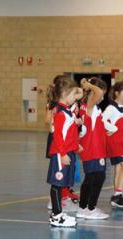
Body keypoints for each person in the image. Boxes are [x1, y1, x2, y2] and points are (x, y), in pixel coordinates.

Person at [76, 77, 113, 220]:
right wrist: (88, 85)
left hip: (93, 147)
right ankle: (89, 208)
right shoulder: (89, 104)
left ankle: (84, 207)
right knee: (97, 177)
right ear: (92, 93)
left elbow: (93, 126)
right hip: (93, 149)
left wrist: (104, 131)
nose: (102, 97)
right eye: (101, 93)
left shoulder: (92, 107)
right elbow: (97, 92)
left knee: (92, 177)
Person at [46, 76, 81, 227]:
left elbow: (70, 133)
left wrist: (76, 146)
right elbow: (58, 136)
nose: (76, 97)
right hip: (61, 154)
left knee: (62, 184)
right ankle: (56, 215)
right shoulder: (60, 112)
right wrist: (62, 153)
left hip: (68, 151)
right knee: (57, 184)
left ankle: (59, 212)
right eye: (73, 94)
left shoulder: (67, 110)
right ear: (65, 94)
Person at [102, 81, 123, 208]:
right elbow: (102, 120)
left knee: (118, 168)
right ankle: (118, 194)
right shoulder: (111, 108)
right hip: (116, 142)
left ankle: (116, 197)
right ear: (117, 93)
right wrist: (113, 128)